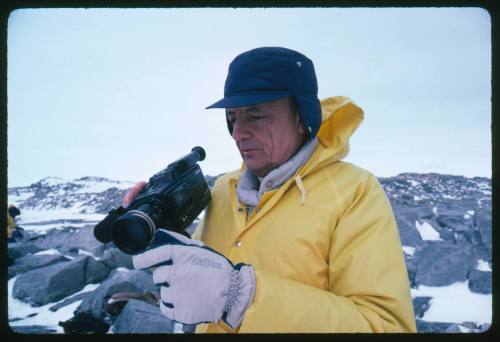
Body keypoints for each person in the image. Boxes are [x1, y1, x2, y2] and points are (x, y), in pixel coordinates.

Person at [127, 47, 417, 333]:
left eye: (255, 115)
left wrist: (241, 298)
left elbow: (385, 326)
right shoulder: (222, 190)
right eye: (233, 117)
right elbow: (198, 279)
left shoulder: (354, 192)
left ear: (302, 118)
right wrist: (158, 235)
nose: (239, 132)